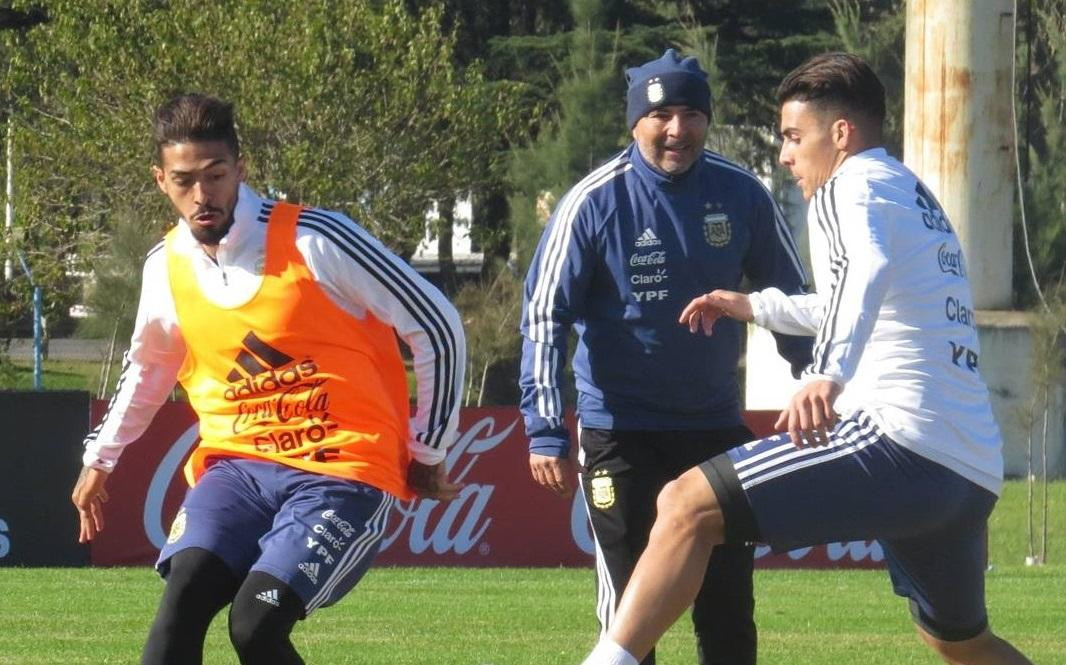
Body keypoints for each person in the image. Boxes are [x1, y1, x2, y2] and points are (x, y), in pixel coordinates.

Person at [579, 52, 1034, 665]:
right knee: (959, 642)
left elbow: (863, 274)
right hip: (969, 470)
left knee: (685, 504)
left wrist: (827, 373)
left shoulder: (848, 185)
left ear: (840, 133)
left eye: (794, 137)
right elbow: (868, 298)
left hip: (902, 445)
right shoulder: (909, 192)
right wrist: (758, 306)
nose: (786, 155)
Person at [70, 93, 466, 665]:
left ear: (241, 169)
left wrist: (427, 448)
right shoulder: (165, 265)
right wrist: (100, 457)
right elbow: (151, 367)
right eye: (184, 180)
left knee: (255, 623)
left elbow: (438, 326)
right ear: (160, 180)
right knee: (181, 599)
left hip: (341, 473)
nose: (202, 195)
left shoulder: (318, 239)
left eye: (216, 174)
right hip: (236, 469)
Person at [520, 49, 812, 665]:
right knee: (631, 614)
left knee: (728, 606)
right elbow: (546, 318)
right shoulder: (592, 203)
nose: (677, 129)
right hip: (618, 435)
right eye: (661, 115)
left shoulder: (743, 195)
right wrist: (545, 429)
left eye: (691, 114)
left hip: (712, 432)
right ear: (635, 123)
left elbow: (793, 304)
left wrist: (819, 380)